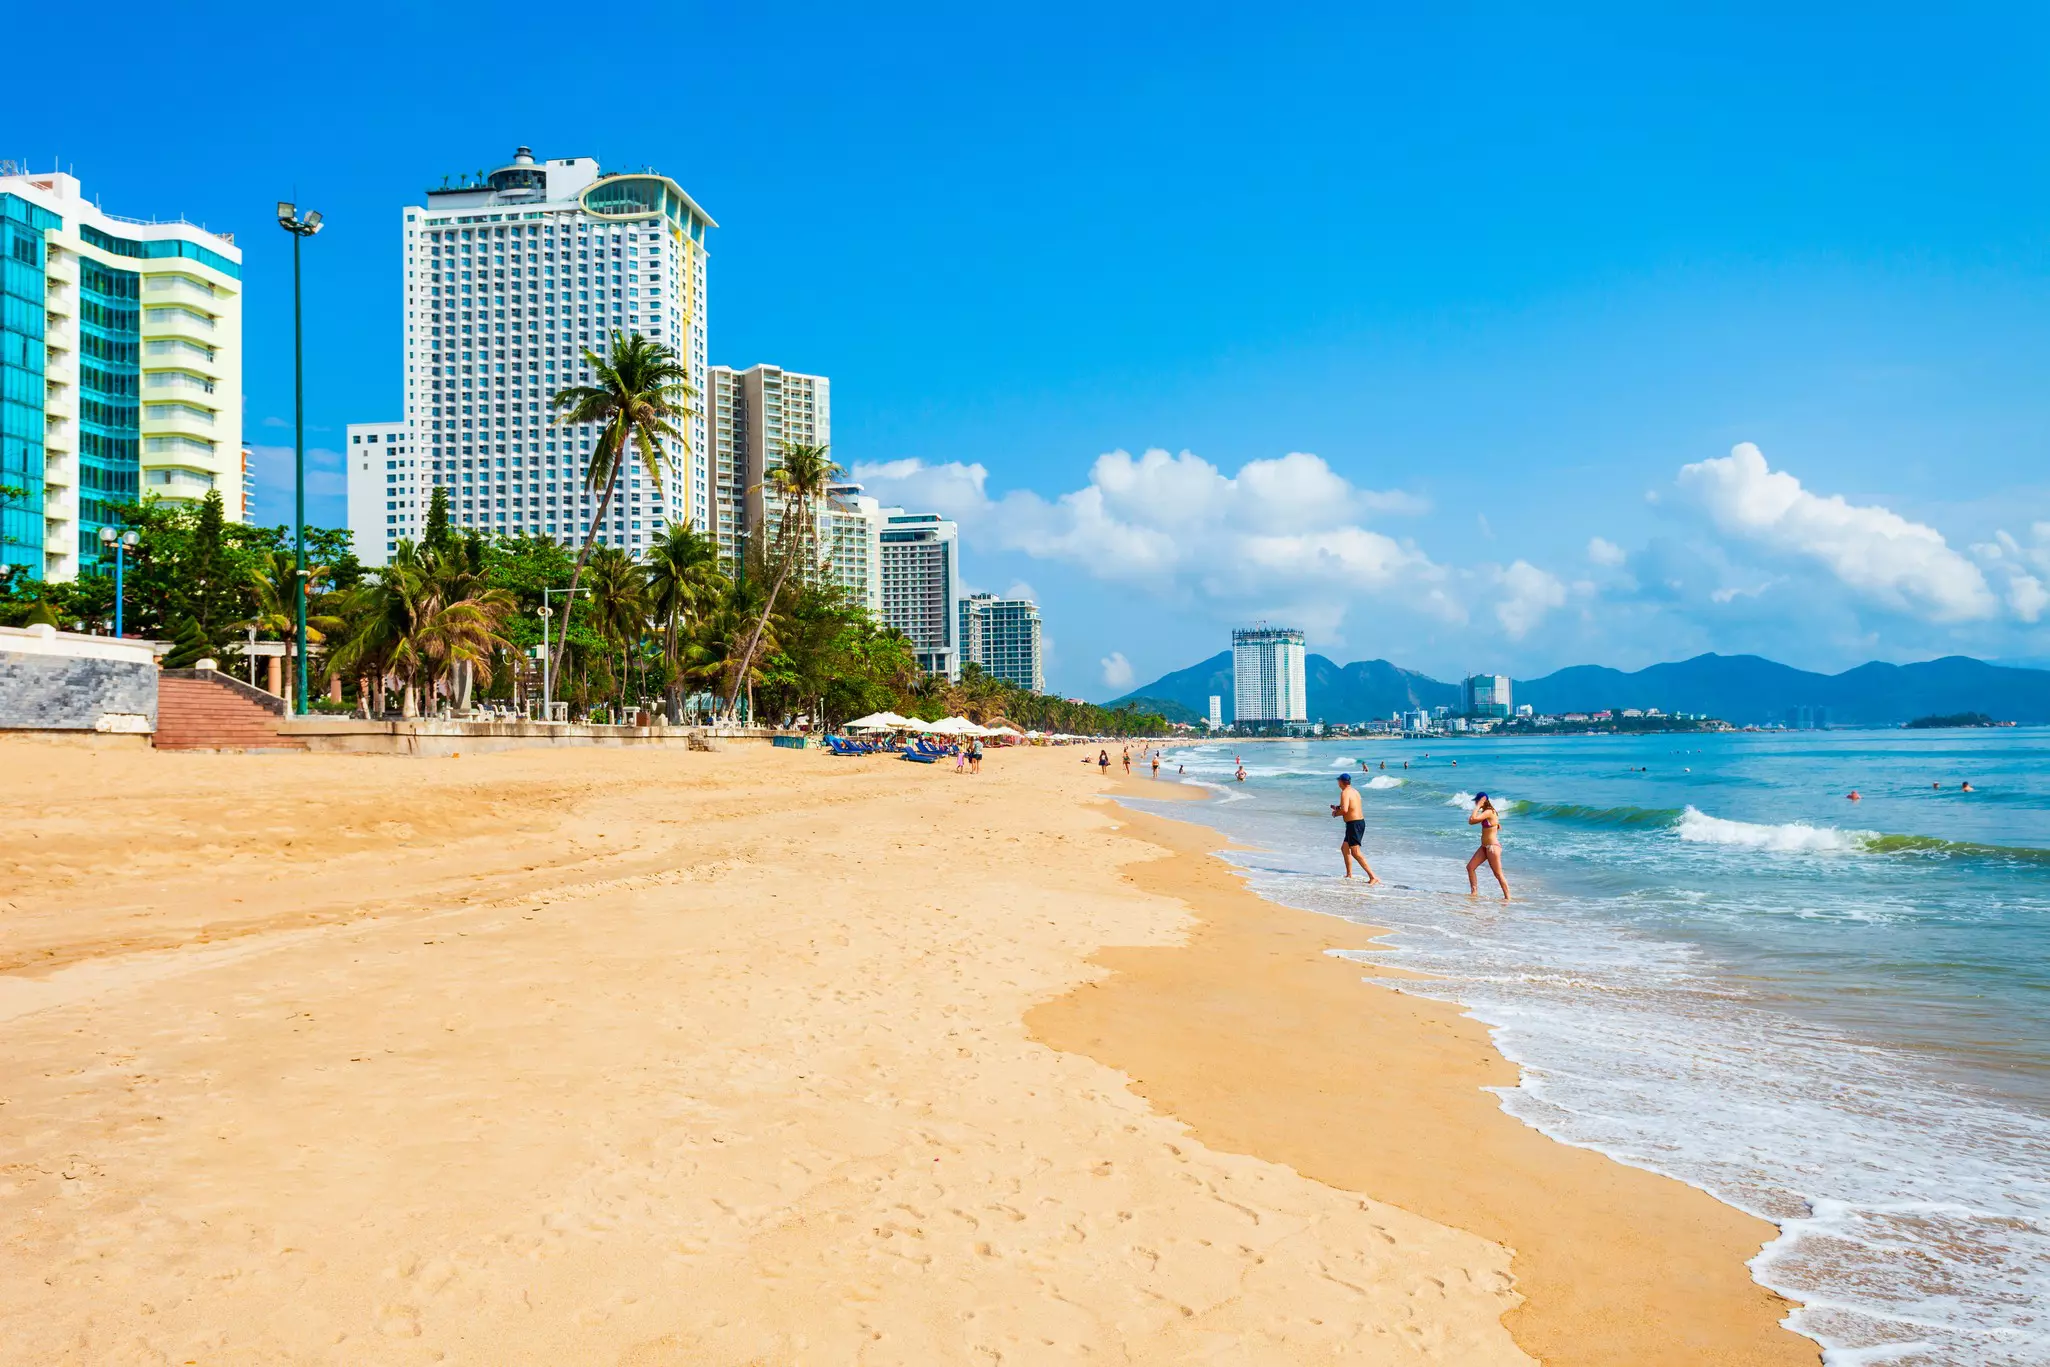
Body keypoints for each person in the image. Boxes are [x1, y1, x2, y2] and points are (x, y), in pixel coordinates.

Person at [1331, 775, 1380, 882]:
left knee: (1355, 852)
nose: (1338, 783)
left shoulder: (1344, 792)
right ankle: (1349, 874)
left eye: (1338, 781)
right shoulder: (1354, 791)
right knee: (1344, 848)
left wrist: (1335, 813)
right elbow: (1351, 805)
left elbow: (1345, 811)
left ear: (1341, 782)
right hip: (1357, 823)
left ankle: (1373, 877)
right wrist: (1338, 807)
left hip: (1354, 824)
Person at [1466, 792, 1510, 901]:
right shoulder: (1487, 812)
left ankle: (1508, 898)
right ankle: (1474, 893)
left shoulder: (1489, 811)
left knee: (1498, 874)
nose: (1476, 802)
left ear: (1483, 801)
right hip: (1484, 847)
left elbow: (1471, 821)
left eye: (1477, 800)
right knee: (1470, 867)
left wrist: (1478, 806)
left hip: (1492, 847)